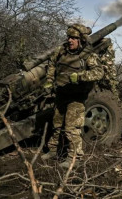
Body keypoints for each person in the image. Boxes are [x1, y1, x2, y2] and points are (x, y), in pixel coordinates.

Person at [41, 23, 104, 168]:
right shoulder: (61, 51)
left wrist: (81, 76)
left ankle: (75, 158)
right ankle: (54, 151)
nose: (70, 40)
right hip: (61, 93)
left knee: (72, 128)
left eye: (74, 38)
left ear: (81, 40)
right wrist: (49, 81)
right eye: (69, 37)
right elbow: (52, 64)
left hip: (76, 97)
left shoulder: (88, 56)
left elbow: (99, 73)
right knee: (57, 125)